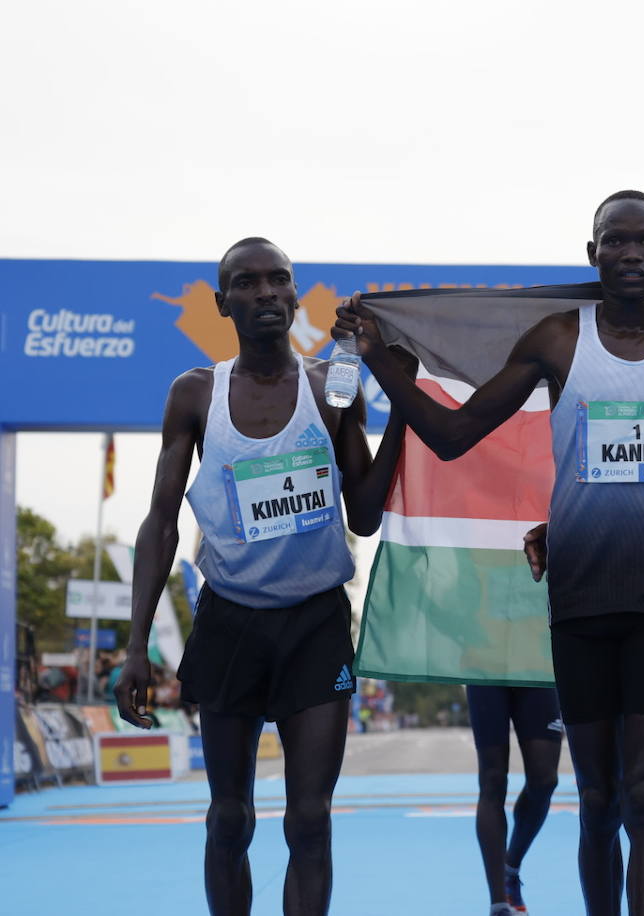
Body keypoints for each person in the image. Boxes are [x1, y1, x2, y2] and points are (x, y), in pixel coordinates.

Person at [337, 190, 644, 915]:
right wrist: (378, 359)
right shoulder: (558, 338)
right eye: (614, 242)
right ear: (591, 254)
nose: (629, 254)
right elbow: (453, 435)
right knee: (596, 797)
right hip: (582, 599)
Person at [114, 238, 409, 916]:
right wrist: (135, 645)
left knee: (310, 819)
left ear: (296, 295)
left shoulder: (329, 385)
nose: (267, 292)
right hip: (231, 620)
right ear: (223, 304)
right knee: (229, 818)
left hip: (315, 622)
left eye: (279, 280)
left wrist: (397, 402)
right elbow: (160, 523)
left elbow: (363, 515)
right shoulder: (194, 394)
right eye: (247, 283)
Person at [467, 685, 564, 915]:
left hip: (535, 666)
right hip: (485, 667)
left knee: (545, 781)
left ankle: (510, 868)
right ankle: (499, 904)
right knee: (492, 780)